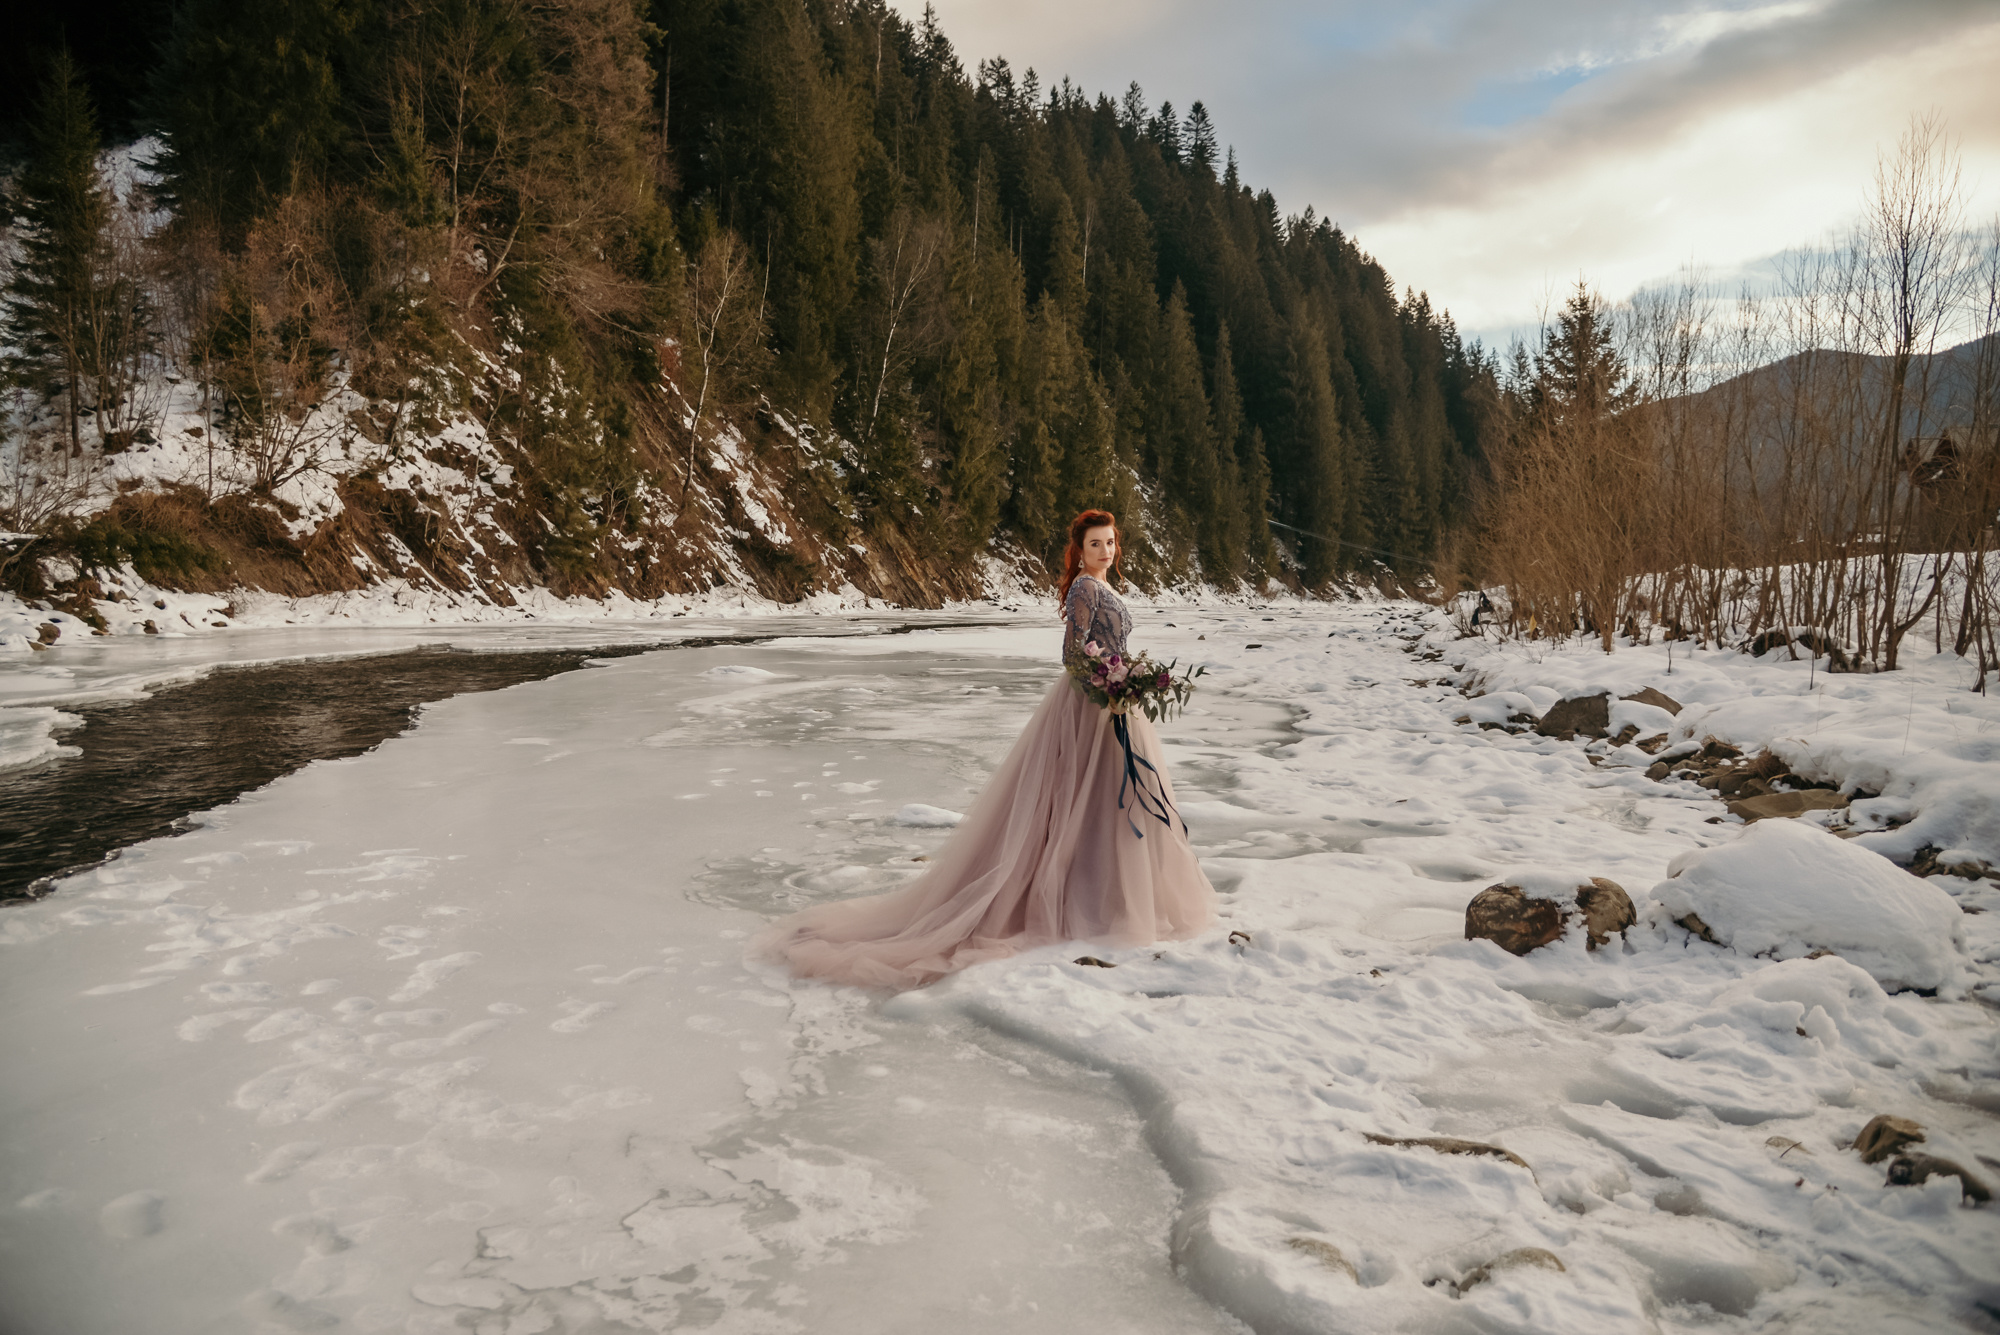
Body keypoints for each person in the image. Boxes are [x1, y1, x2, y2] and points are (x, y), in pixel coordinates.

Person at [755, 509, 1216, 990]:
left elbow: (1110, 644)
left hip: (1113, 704)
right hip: (1088, 706)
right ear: (1079, 550)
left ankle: (1114, 897)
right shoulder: (1084, 588)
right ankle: (1081, 898)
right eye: (1096, 544)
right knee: (1081, 800)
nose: (1105, 551)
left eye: (1110, 542)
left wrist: (1127, 679)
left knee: (1109, 802)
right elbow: (1072, 653)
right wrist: (1108, 680)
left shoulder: (1108, 586)